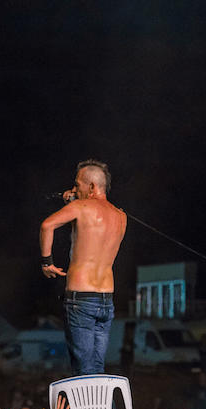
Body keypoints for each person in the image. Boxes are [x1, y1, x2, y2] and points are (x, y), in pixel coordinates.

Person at [39, 159, 127, 375]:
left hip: (81, 300)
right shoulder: (121, 216)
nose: (74, 189)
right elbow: (84, 231)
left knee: (83, 368)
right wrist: (73, 200)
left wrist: (47, 262)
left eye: (78, 185)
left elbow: (47, 225)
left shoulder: (80, 207)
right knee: (97, 366)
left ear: (92, 187)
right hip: (106, 300)